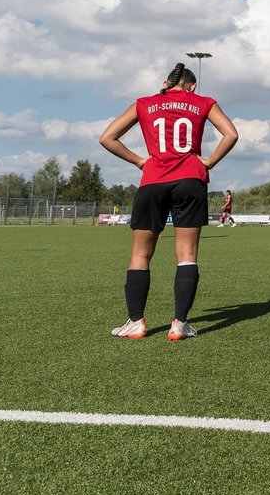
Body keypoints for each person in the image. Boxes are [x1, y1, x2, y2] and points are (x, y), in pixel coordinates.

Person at [99, 62, 239, 341]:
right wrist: (209, 161)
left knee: (140, 254)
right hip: (190, 180)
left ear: (166, 82)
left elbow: (107, 138)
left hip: (152, 181)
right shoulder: (204, 102)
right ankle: (180, 325)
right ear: (192, 85)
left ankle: (136, 323)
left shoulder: (144, 103)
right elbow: (232, 134)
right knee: (186, 254)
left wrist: (139, 160)